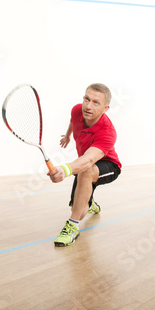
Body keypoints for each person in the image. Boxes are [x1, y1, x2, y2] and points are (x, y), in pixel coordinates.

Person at [48, 83, 121, 246]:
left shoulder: (108, 132)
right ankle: (91, 202)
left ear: (106, 108)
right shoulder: (77, 110)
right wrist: (67, 136)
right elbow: (73, 121)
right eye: (86, 99)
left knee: (86, 171)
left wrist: (64, 169)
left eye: (96, 103)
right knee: (80, 210)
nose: (88, 106)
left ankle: (72, 226)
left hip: (108, 165)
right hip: (85, 164)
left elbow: (88, 160)